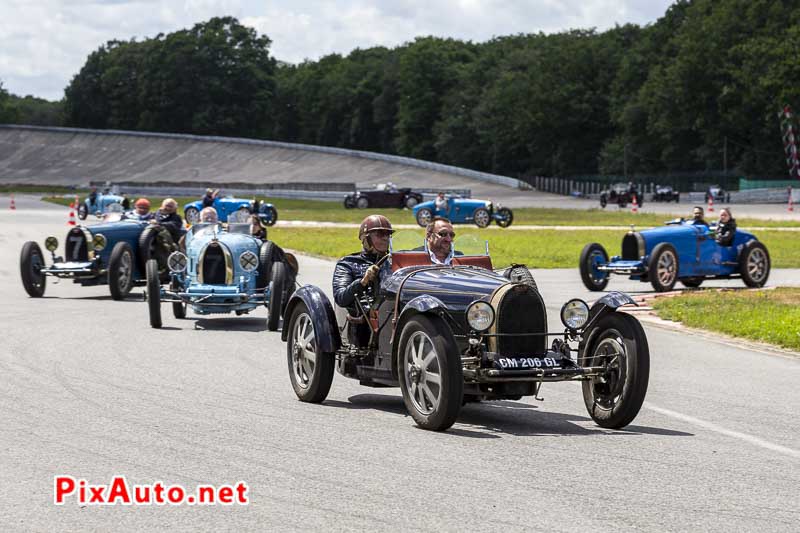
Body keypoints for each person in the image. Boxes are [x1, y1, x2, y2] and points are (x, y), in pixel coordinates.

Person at [332, 215, 394, 347]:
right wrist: (363, 281)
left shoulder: (395, 262)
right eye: (379, 234)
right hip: (364, 320)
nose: (385, 238)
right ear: (366, 238)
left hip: (394, 312)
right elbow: (341, 297)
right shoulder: (348, 263)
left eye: (388, 234)